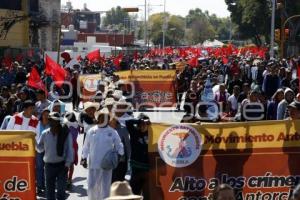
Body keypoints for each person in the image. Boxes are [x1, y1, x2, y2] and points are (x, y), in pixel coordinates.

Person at [81, 109, 124, 200]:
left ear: (108, 120)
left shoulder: (112, 132)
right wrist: (84, 157)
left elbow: (119, 146)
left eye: (105, 118)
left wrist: (119, 156)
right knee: (92, 187)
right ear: (98, 118)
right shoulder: (91, 131)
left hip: (107, 165)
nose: (103, 119)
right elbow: (86, 146)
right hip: (93, 164)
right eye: (101, 117)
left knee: (105, 188)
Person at [37, 112, 74, 200]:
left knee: (61, 192)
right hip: (49, 166)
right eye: (51, 120)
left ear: (58, 122)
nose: (52, 122)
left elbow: (70, 149)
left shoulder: (65, 134)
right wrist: (33, 141)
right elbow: (39, 149)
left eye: (55, 121)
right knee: (50, 192)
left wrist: (67, 165)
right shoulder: (44, 134)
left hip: (62, 166)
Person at [125, 113, 151, 199]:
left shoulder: (152, 133)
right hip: (136, 168)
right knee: (134, 193)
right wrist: (139, 120)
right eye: (141, 124)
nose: (143, 126)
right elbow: (128, 122)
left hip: (149, 169)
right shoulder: (134, 132)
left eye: (145, 124)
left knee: (147, 193)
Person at [110, 116, 131, 183]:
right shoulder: (107, 129)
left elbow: (127, 145)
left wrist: (129, 158)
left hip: (121, 159)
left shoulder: (123, 129)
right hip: (110, 159)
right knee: (111, 180)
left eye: (111, 121)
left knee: (120, 179)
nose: (109, 123)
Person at [36, 108, 50, 195]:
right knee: (39, 168)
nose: (46, 116)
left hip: (49, 149)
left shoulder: (52, 124)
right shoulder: (37, 123)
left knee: (48, 169)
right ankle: (40, 186)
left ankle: (47, 186)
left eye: (48, 114)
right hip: (38, 149)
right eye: (45, 114)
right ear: (41, 115)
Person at [64, 112, 79, 188]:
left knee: (66, 163)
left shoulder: (66, 124)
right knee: (72, 164)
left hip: (67, 145)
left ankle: (66, 179)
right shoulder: (77, 124)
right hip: (75, 145)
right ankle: (70, 179)